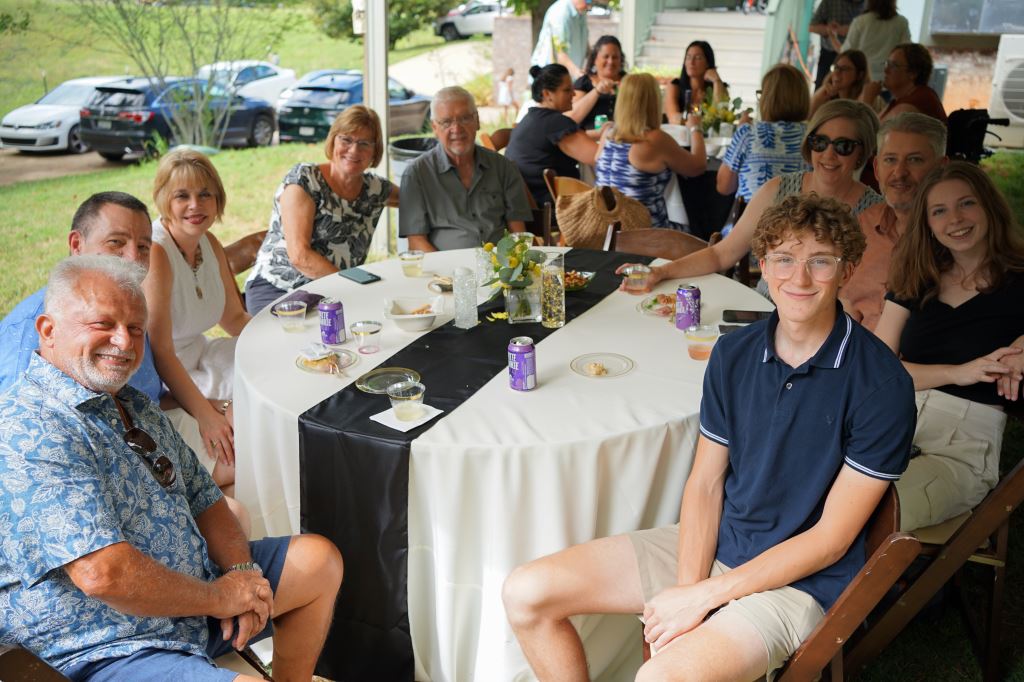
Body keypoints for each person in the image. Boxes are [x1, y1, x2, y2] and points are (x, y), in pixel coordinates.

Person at [503, 194, 915, 681]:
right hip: (719, 542)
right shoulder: (733, 353)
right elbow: (704, 484)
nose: (799, 278)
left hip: (801, 583)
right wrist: (688, 589)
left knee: (657, 678)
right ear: (763, 266)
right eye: (784, 258)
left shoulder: (882, 385)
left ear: (845, 271)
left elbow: (829, 541)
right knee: (526, 592)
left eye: (819, 261)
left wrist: (703, 598)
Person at [0, 255, 343, 681]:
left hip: (190, 599)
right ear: (48, 331)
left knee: (317, 561)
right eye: (102, 324)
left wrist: (242, 575)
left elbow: (206, 498)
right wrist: (219, 599)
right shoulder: (31, 427)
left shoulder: (131, 404)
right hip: (110, 643)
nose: (124, 342)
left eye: (136, 328)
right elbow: (102, 575)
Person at [875, 162, 1024, 532]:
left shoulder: (1019, 278)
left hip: (962, 443)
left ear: (988, 205)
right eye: (939, 211)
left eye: (966, 204)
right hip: (890, 420)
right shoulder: (916, 276)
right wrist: (960, 372)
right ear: (927, 223)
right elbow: (878, 369)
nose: (955, 219)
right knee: (807, 486)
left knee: (871, 512)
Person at [626, 99, 883, 291]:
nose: (829, 154)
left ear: (861, 153)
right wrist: (661, 272)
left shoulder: (876, 211)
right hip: (768, 312)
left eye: (843, 146)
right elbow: (721, 254)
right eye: (820, 142)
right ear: (809, 144)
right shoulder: (778, 190)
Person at [146, 149, 251, 486]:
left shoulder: (209, 242)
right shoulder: (157, 252)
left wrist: (283, 340)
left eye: (205, 194)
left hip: (203, 354)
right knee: (245, 446)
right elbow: (160, 350)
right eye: (183, 195)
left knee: (270, 372)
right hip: (167, 375)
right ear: (164, 199)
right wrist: (207, 414)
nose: (196, 205)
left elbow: (234, 318)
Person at [0, 192, 158, 398]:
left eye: (143, 247)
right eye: (116, 242)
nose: (133, 257)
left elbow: (152, 396)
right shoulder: (33, 330)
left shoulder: (128, 308)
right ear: (76, 245)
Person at [244, 105, 399, 313]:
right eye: (346, 139)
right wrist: (351, 287)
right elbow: (300, 256)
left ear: (375, 150)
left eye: (364, 143)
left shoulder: (375, 189)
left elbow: (418, 200)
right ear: (333, 140)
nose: (354, 150)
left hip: (333, 291)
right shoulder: (305, 180)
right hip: (279, 288)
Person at [843, 112, 947, 330]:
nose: (899, 173)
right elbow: (845, 304)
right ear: (877, 169)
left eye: (914, 160)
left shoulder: (956, 237)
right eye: (890, 160)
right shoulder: (862, 227)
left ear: (941, 168)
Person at [400, 86, 533, 251]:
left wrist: (511, 270)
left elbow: (517, 233)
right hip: (444, 272)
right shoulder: (416, 175)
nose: (456, 129)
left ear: (477, 121)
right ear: (435, 128)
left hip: (499, 269)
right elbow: (417, 243)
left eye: (464, 118)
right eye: (447, 122)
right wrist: (447, 275)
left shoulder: (503, 167)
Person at [594, 73, 706, 230]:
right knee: (701, 229)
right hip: (646, 235)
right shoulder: (654, 140)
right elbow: (698, 166)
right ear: (653, 102)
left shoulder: (608, 133)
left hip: (605, 235)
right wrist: (696, 127)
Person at [506, 64, 598, 211]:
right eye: (567, 90)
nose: (574, 94)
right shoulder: (555, 123)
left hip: (526, 206)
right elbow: (598, 157)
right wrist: (609, 134)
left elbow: (577, 138)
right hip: (552, 209)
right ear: (547, 94)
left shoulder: (532, 118)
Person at [718, 63, 811, 204]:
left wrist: (740, 134)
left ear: (767, 98)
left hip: (752, 224)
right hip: (796, 223)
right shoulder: (812, 136)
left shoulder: (748, 134)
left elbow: (724, 187)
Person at [864, 43, 948, 123]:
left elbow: (873, 135)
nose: (886, 70)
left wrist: (867, 101)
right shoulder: (901, 98)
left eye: (893, 65)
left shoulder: (917, 101)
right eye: (887, 64)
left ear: (913, 73)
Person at [843, 0, 911, 85]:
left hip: (863, 78)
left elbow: (846, 52)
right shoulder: (901, 22)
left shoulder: (860, 21)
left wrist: (833, 38)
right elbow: (907, 52)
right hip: (889, 78)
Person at [569, 35, 626, 135]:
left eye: (615, 57)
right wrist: (597, 91)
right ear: (595, 59)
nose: (610, 61)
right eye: (606, 57)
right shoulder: (583, 83)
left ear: (621, 59)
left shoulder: (629, 82)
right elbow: (572, 117)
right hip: (589, 142)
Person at [664, 41, 729, 126]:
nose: (691, 62)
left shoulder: (718, 86)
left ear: (708, 62)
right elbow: (673, 118)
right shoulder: (675, 86)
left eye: (698, 58)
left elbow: (720, 116)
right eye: (688, 57)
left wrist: (717, 81)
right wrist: (702, 122)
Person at [809, 0, 867, 89]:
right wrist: (832, 30)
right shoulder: (830, 2)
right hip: (829, 55)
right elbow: (812, 27)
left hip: (857, 58)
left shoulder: (870, 6)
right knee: (824, 89)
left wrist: (849, 30)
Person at [529, 0, 591, 80]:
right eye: (589, 1)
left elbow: (586, 45)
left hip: (567, 78)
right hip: (548, 80)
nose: (590, 5)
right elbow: (560, 53)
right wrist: (579, 75)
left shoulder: (582, 12)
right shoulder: (561, 13)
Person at [809, 49, 873, 117]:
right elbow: (807, 120)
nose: (836, 72)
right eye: (836, 67)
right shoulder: (827, 97)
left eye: (844, 69)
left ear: (860, 75)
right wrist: (821, 92)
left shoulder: (868, 100)